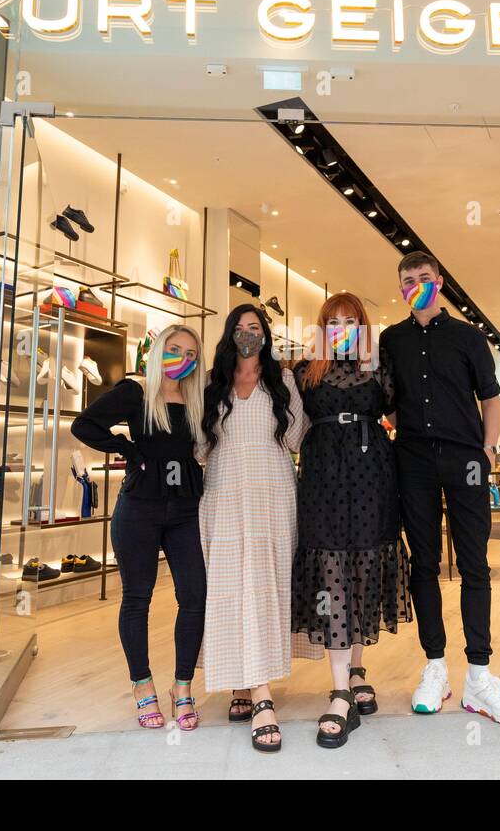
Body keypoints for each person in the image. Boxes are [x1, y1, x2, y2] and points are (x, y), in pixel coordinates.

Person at [378, 251, 500, 726]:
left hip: (465, 459)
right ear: (400, 286)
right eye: (408, 279)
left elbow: (490, 396)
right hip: (414, 460)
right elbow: (391, 403)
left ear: (439, 282)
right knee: (423, 563)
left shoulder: (468, 336)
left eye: (424, 277)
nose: (417, 284)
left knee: (473, 564)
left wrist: (486, 451)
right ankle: (435, 667)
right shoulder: (391, 339)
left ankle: (480, 677)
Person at [71, 324, 207, 730]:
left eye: (190, 353)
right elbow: (85, 425)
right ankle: (142, 685)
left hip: (186, 508)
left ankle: (182, 687)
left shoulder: (196, 399)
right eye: (175, 348)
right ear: (159, 350)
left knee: (195, 597)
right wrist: (127, 449)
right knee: (137, 599)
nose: (182, 357)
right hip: (139, 508)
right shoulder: (136, 392)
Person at [291, 292, 411, 749]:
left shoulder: (380, 367)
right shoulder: (306, 370)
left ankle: (357, 668)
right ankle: (340, 689)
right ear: (322, 326)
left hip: (372, 474)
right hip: (322, 473)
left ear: (362, 324)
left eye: (350, 319)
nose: (341, 325)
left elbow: (404, 419)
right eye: (332, 319)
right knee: (332, 574)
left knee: (363, 569)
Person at [198, 304, 305, 752]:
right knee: (228, 588)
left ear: (266, 334)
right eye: (239, 328)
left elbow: (296, 438)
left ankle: (256, 691)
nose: (247, 334)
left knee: (263, 587)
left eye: (255, 328)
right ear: (229, 335)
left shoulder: (284, 383)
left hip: (273, 496)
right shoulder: (211, 384)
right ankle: (246, 682)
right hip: (222, 495)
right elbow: (200, 446)